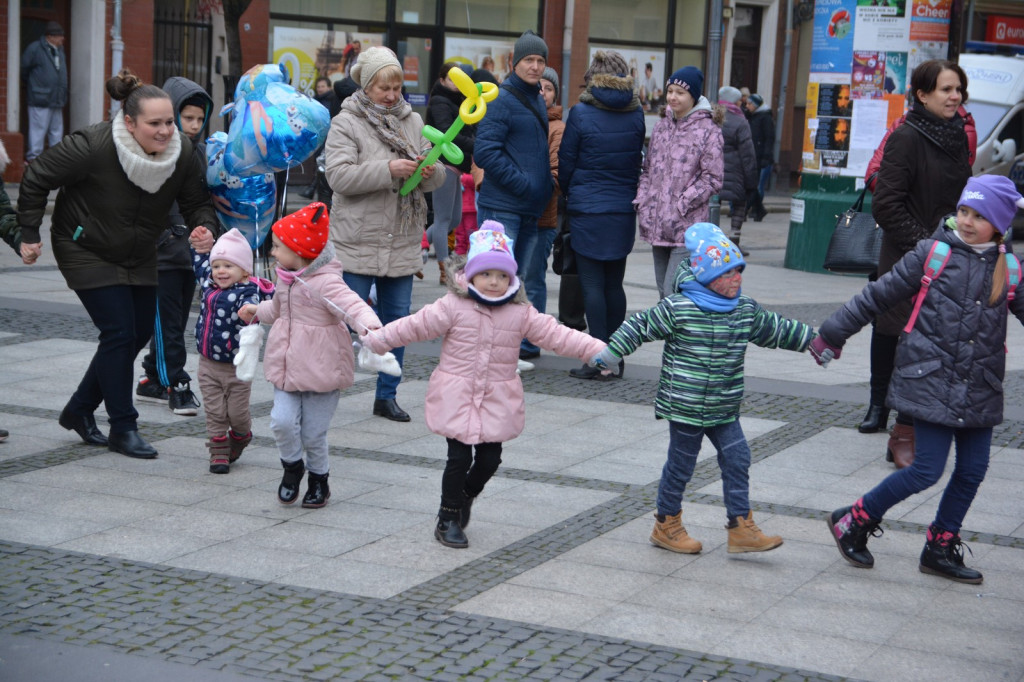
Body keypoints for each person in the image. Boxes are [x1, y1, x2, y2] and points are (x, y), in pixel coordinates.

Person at [813, 175, 1024, 585]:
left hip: (979, 384)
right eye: (964, 210)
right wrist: (832, 333)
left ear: (999, 224)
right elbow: (878, 294)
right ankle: (853, 520)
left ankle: (940, 546)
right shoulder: (934, 253)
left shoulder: (1009, 269)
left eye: (978, 216)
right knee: (926, 469)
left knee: (973, 470)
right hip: (929, 378)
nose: (965, 220)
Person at [360, 221, 606, 548]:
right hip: (457, 394)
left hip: (497, 397)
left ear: (512, 278)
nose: (494, 282)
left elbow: (556, 334)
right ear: (471, 274)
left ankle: (465, 497)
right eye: (487, 274)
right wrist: (378, 339)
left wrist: (597, 351)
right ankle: (447, 517)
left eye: (502, 275)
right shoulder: (452, 305)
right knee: (458, 458)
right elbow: (413, 326)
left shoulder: (520, 311)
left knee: (490, 460)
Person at [18, 70, 216, 458]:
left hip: (140, 248)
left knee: (137, 332)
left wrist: (204, 228)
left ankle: (78, 409)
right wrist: (28, 232)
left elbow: (196, 201)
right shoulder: (92, 145)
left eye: (169, 122)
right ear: (129, 122)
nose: (165, 131)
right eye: (154, 123)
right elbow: (37, 175)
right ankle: (122, 426)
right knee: (119, 332)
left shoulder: (183, 153)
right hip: (84, 246)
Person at [589, 223, 814, 553]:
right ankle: (666, 524)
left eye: (740, 271)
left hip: (724, 406)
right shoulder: (680, 307)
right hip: (686, 405)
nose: (737, 279)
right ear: (708, 276)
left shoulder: (743, 309)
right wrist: (612, 352)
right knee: (682, 465)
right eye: (728, 273)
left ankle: (741, 527)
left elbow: (775, 329)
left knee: (738, 457)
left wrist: (815, 340)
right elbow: (640, 325)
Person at [859, 59, 972, 466]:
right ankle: (887, 414)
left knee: (933, 342)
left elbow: (962, 197)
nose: (955, 96)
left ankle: (912, 426)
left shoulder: (958, 135)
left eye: (958, 89)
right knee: (898, 336)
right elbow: (885, 205)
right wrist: (928, 246)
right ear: (923, 95)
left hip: (947, 256)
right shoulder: (905, 137)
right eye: (946, 89)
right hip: (909, 256)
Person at [324, 46, 445, 422]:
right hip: (357, 238)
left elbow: (436, 171)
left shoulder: (413, 121)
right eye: (383, 88)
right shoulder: (346, 122)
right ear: (366, 85)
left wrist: (430, 172)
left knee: (397, 323)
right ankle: (326, 388)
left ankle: (386, 395)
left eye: (397, 87)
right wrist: (388, 168)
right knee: (346, 322)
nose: (392, 95)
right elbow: (338, 176)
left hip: (402, 238)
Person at [240, 203, 382, 507]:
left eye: (278, 247)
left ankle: (319, 479)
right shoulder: (285, 278)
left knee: (313, 433)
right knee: (280, 421)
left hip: (322, 367)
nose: (273, 253)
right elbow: (277, 308)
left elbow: (352, 306)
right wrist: (256, 311)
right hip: (287, 365)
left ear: (299, 250)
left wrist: (370, 326)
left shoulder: (327, 282)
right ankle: (292, 467)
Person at [558, 51, 645, 379]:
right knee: (614, 285)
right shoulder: (636, 114)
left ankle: (597, 358)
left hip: (588, 209)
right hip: (622, 209)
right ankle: (617, 357)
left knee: (592, 284)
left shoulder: (580, 112)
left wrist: (568, 194)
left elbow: (566, 162)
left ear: (593, 76)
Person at [135, 77, 215, 416]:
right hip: (162, 255)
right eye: (187, 118)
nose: (194, 125)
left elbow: (202, 203)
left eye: (199, 118)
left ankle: (151, 377)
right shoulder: (153, 153)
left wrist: (208, 231)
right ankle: (175, 383)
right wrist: (167, 235)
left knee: (177, 318)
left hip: (189, 254)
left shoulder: (198, 152)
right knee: (166, 322)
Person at [474, 30, 552, 361]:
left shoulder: (536, 98)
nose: (535, 67)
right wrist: (523, 184)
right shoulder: (501, 99)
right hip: (503, 207)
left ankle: (507, 350)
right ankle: (484, 347)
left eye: (540, 61)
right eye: (529, 60)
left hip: (529, 208)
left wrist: (539, 187)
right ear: (514, 63)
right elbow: (485, 152)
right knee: (493, 280)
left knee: (517, 282)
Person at [634, 66, 724, 299]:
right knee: (663, 293)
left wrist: (682, 203)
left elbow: (712, 178)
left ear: (693, 96)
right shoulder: (662, 125)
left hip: (687, 226)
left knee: (673, 293)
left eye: (680, 93)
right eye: (670, 91)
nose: (673, 97)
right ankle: (673, 336)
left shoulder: (708, 130)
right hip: (657, 223)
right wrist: (643, 200)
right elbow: (648, 169)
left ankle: (677, 336)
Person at [189, 227, 274, 473]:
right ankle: (218, 453)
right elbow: (201, 265)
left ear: (245, 271)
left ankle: (240, 435)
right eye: (217, 266)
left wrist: (249, 310)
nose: (220, 272)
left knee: (236, 413)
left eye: (228, 266)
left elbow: (253, 304)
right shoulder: (208, 283)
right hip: (208, 363)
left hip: (237, 366)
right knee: (215, 410)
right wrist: (202, 247)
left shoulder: (248, 290)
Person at [424, 62, 476, 285]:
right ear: (443, 79)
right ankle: (445, 269)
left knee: (453, 218)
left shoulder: (460, 101)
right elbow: (447, 133)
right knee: (444, 219)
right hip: (443, 163)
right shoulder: (440, 101)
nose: (456, 84)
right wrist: (475, 144)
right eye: (452, 79)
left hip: (456, 163)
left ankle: (418, 245)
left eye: (460, 79)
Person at [531, 66, 566, 357]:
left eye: (549, 88)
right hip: (508, 215)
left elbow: (556, 176)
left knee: (532, 279)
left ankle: (530, 340)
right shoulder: (514, 114)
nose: (542, 92)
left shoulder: (558, 128)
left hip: (542, 218)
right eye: (539, 85)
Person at [716, 86, 758, 256]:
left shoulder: (712, 117)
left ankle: (713, 241)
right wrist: (751, 179)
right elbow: (748, 154)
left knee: (712, 205)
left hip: (714, 172)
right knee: (740, 205)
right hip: (736, 174)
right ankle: (734, 241)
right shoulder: (741, 122)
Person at [21, 21, 68, 163]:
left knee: (56, 131)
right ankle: (33, 159)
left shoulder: (59, 50)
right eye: (59, 36)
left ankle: (55, 159)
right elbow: (24, 70)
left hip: (57, 98)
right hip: (40, 98)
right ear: (50, 36)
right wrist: (34, 86)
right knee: (38, 131)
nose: (62, 39)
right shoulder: (35, 49)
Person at [745, 93, 775, 222]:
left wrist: (766, 157)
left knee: (754, 185)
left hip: (760, 156)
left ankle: (746, 209)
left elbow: (769, 138)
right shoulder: (752, 116)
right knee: (751, 184)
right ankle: (759, 209)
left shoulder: (765, 118)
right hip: (751, 155)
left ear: (756, 105)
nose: (747, 106)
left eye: (749, 104)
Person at [454, 172, 478, 255]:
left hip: (470, 209)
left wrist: (462, 177)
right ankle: (459, 257)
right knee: (459, 235)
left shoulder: (472, 166)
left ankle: (473, 256)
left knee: (471, 234)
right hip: (459, 208)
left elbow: (476, 180)